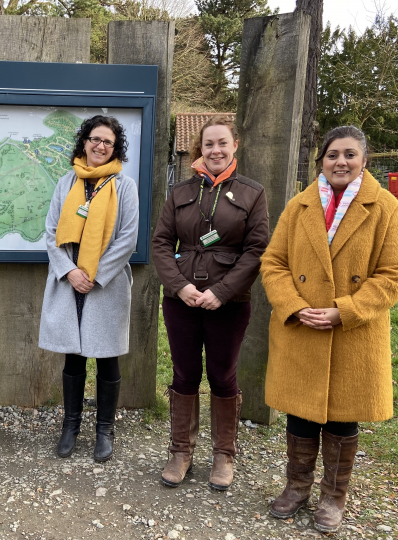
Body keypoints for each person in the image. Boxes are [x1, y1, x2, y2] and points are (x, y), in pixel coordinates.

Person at [261, 125, 398, 533]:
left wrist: (344, 311)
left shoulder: (384, 208)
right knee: (300, 411)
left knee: (342, 417)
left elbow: (394, 274)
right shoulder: (300, 206)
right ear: (321, 161)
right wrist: (294, 305)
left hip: (352, 332)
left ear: (364, 159)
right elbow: (274, 263)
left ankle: (333, 496)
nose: (340, 162)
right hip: (302, 327)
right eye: (332, 155)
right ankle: (297, 487)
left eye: (349, 154)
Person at [152, 115, 269, 491]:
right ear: (198, 149)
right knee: (184, 374)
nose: (215, 150)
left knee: (222, 376)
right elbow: (160, 244)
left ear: (235, 145)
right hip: (181, 300)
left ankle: (223, 454)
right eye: (208, 144)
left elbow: (256, 250)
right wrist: (180, 286)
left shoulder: (253, 193)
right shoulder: (180, 193)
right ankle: (181, 451)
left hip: (230, 303)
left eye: (222, 143)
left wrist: (222, 292)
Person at [38, 115, 140, 462]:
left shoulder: (124, 186)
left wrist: (94, 276)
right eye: (95, 139)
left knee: (107, 356)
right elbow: (51, 232)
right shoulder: (67, 182)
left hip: (104, 283)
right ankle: (71, 425)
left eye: (108, 142)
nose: (100, 146)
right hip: (70, 281)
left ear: (115, 148)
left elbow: (128, 239)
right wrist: (70, 272)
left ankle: (105, 429)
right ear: (84, 142)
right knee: (73, 355)